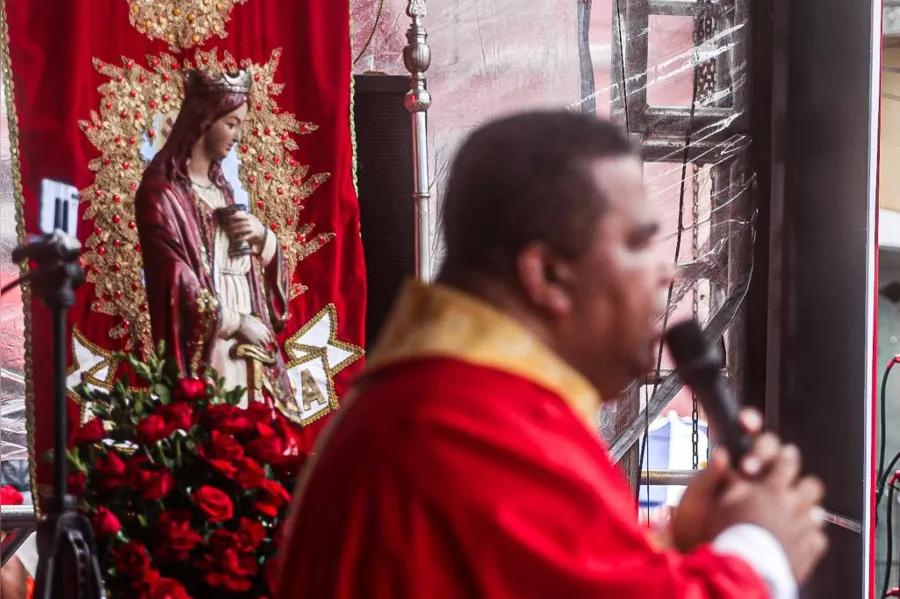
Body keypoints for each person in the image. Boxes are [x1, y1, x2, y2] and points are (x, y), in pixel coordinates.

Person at [276, 111, 827, 598]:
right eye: (637, 244)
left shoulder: (448, 403)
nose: (668, 272)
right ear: (545, 275)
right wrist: (760, 551)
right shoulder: (467, 425)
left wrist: (687, 539)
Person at [134, 69, 293, 408]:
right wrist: (236, 322)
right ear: (205, 121)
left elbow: (246, 267)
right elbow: (175, 280)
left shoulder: (222, 190)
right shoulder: (162, 195)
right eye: (231, 124)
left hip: (249, 345)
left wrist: (265, 241)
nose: (238, 136)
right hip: (208, 351)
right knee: (219, 432)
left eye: (241, 125)